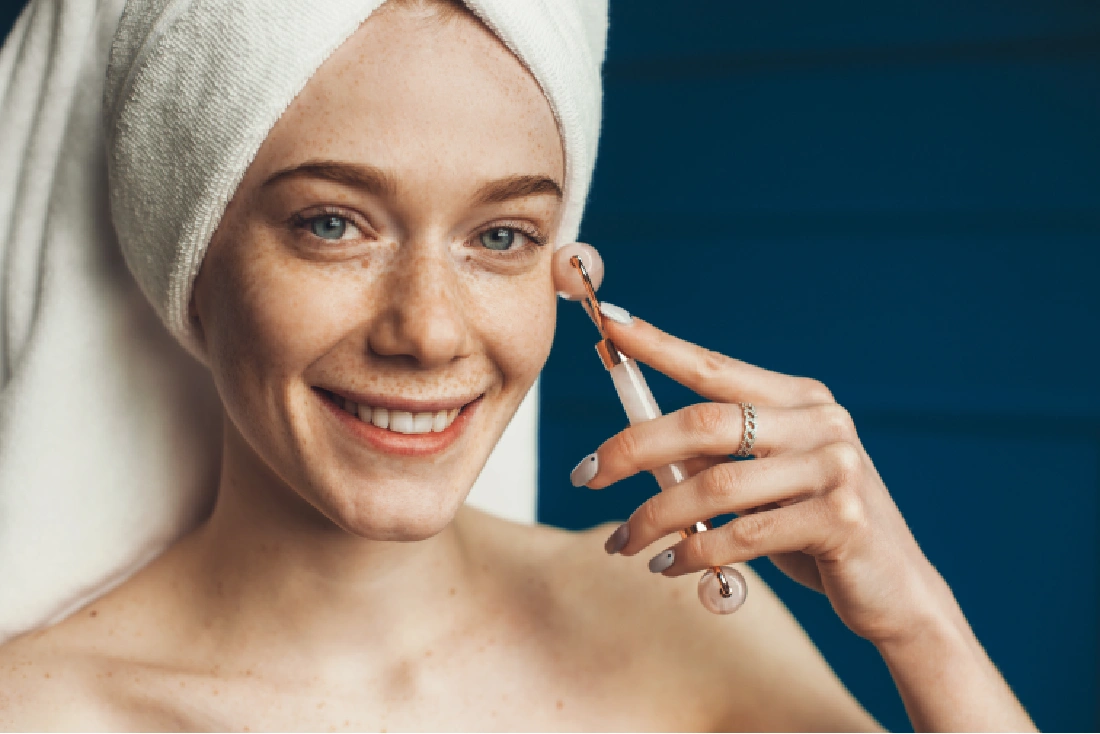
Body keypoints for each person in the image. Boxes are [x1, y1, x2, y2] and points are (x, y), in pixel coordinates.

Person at [0, 0, 1035, 729]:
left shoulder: (680, 613)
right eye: (331, 223)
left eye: (498, 236)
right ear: (188, 251)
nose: (429, 331)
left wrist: (918, 621)